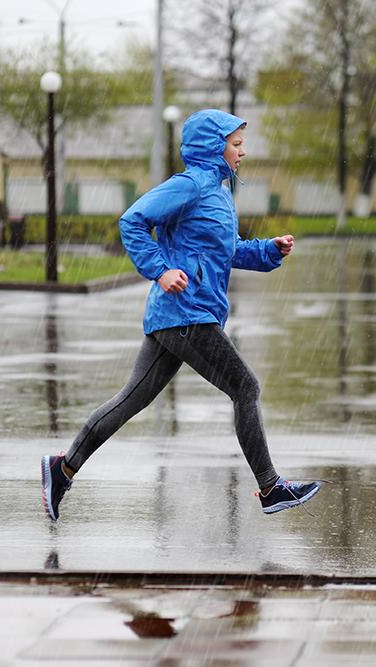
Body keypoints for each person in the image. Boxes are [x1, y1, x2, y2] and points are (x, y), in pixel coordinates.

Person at [41, 109, 321, 521]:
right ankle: (270, 486)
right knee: (245, 387)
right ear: (214, 146)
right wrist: (160, 269)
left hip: (180, 316)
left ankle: (61, 469)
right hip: (185, 312)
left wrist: (267, 251)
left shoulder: (218, 193)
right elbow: (132, 221)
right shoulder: (189, 185)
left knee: (130, 401)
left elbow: (226, 251)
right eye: (236, 144)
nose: (243, 152)